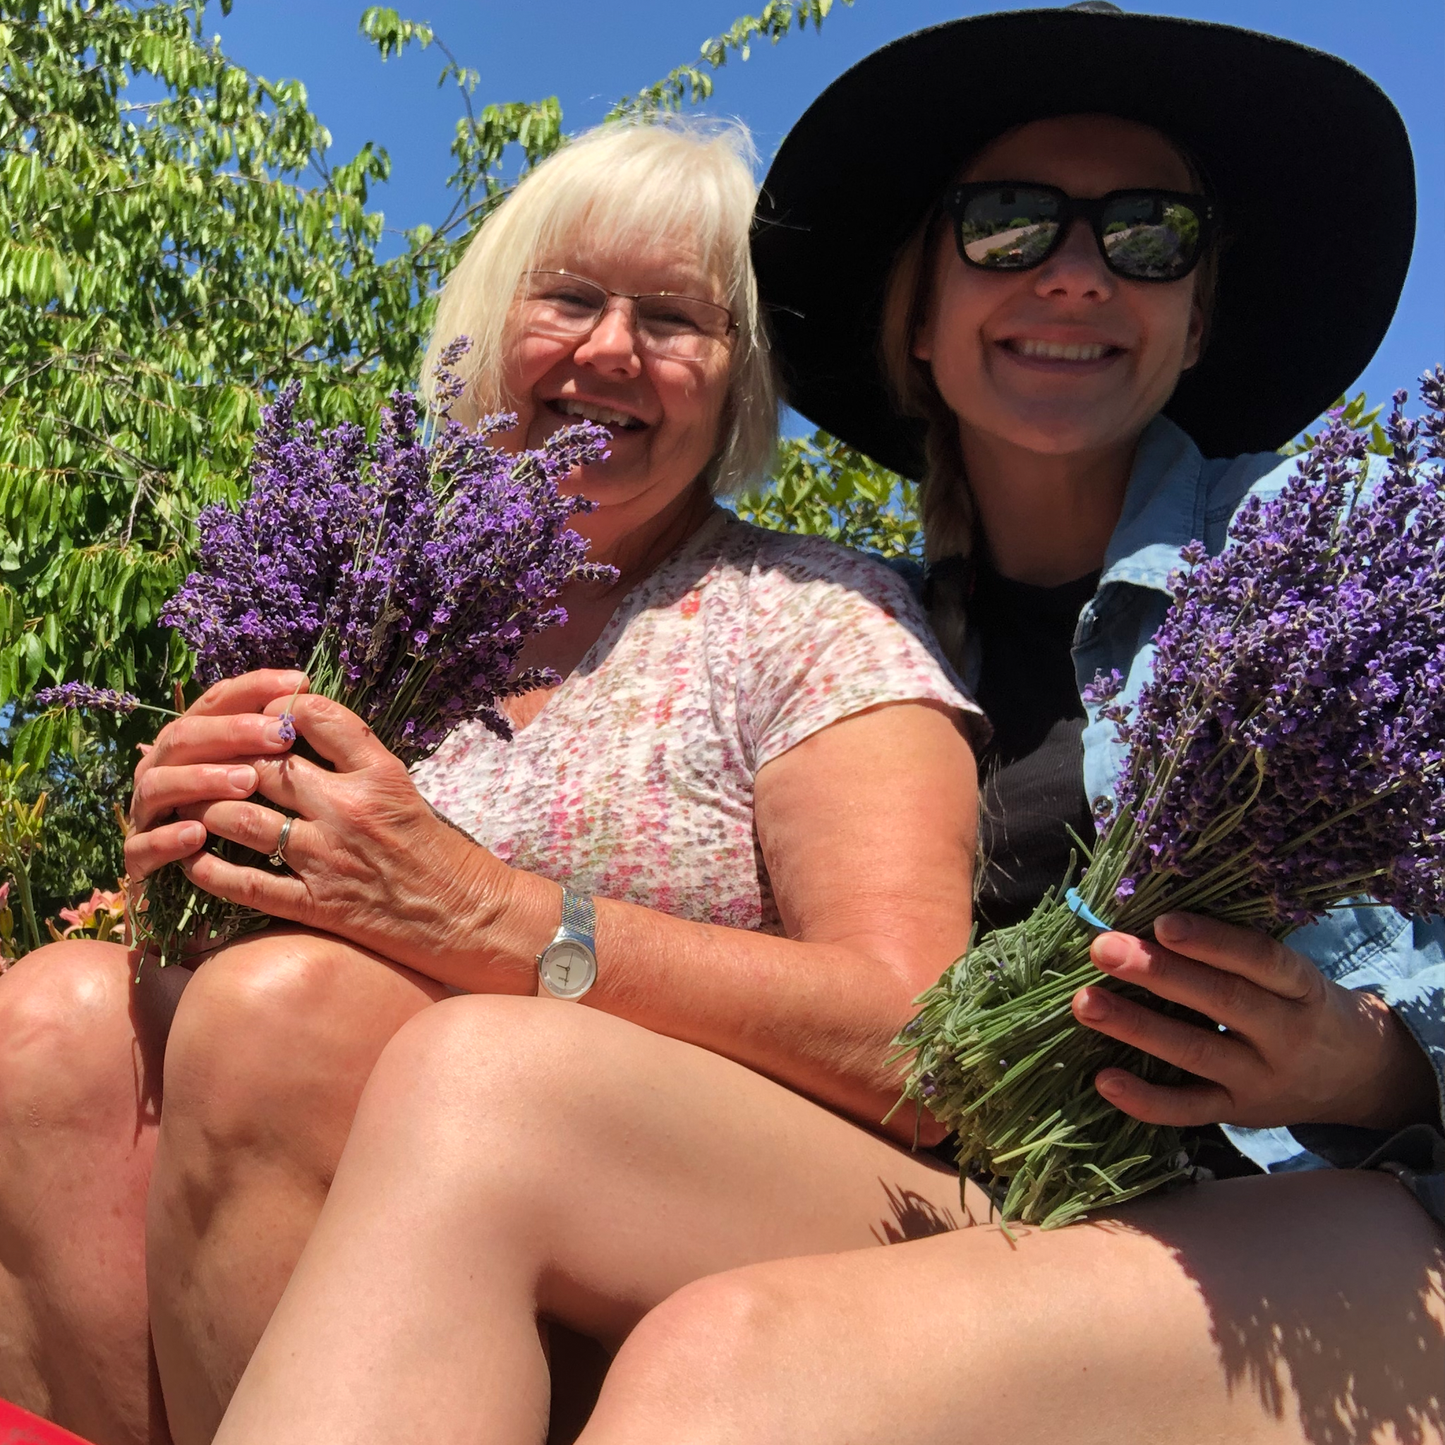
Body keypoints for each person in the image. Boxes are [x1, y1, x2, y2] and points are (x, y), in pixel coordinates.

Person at [210, 8, 1441, 1445]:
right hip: (1043, 1211)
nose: (1077, 272)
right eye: (1007, 225)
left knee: (733, 1361)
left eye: (1148, 237)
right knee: (483, 1084)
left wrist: (1373, 1061)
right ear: (913, 313)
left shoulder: (1354, 574)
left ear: (1197, 314)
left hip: (1350, 1220)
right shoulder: (890, 634)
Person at [0, 119, 984, 1445]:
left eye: (677, 320)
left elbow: (920, 1041)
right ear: (488, 323)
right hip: (378, 1208)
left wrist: (489, 914)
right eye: (570, 297)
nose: (613, 350)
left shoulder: (809, 613)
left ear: (737, 379)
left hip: (758, 1220)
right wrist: (196, 854)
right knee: (56, 1021)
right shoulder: (383, 629)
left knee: (284, 1014)